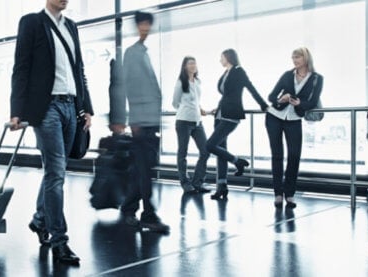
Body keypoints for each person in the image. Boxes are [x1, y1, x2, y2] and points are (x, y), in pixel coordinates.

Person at [10, 0, 94, 266]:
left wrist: (87, 107)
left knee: (55, 171)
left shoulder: (71, 26)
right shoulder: (32, 23)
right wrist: (16, 110)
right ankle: (60, 240)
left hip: (71, 106)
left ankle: (39, 220)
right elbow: (21, 68)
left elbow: (79, 69)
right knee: (56, 173)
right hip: (46, 108)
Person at [112, 11, 170, 234]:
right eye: (143, 23)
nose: (146, 27)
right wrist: (123, 119)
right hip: (140, 121)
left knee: (142, 170)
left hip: (149, 121)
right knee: (144, 171)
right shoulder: (133, 53)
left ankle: (129, 208)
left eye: (149, 24)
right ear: (137, 26)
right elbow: (124, 86)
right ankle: (148, 214)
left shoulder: (143, 53)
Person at [200, 49, 268, 201]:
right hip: (220, 114)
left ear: (228, 57)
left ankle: (238, 162)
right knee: (220, 151)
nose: (220, 60)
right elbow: (226, 95)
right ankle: (221, 187)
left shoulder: (238, 71)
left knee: (210, 146)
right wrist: (217, 109)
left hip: (231, 116)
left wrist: (263, 105)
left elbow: (251, 89)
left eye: (221, 57)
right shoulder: (225, 73)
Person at [265, 47, 323, 209]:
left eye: (297, 57)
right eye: (293, 58)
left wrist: (299, 103)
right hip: (274, 117)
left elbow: (313, 102)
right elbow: (271, 96)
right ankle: (277, 193)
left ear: (306, 58)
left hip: (294, 119)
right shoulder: (287, 75)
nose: (295, 60)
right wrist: (281, 100)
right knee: (277, 156)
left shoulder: (317, 78)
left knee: (294, 155)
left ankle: (289, 194)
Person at [172, 56, 211, 193]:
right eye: (190, 63)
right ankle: (185, 183)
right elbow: (175, 103)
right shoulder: (180, 82)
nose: (193, 65)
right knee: (183, 153)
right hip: (183, 121)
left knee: (205, 151)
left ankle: (197, 182)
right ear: (185, 67)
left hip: (197, 122)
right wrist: (186, 110)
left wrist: (200, 110)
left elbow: (196, 101)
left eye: (194, 63)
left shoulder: (198, 81)